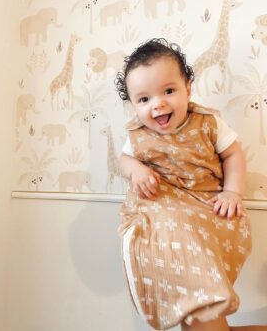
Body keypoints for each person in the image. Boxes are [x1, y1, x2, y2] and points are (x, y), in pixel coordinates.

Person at [114, 38, 266, 331]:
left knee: (199, 296)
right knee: (185, 283)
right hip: (166, 205)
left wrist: (233, 191)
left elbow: (232, 153)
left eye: (168, 91)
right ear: (133, 104)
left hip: (205, 204)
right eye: (144, 100)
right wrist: (136, 171)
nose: (157, 104)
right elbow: (123, 158)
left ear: (188, 88)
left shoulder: (207, 122)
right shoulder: (137, 135)